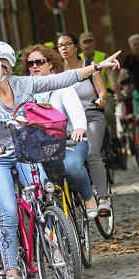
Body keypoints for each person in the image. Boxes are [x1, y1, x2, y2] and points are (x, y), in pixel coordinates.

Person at [0, 41, 120, 279]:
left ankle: (53, 246)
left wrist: (97, 66)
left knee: (44, 193)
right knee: (8, 211)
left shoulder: (23, 84)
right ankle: (11, 274)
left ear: (4, 67)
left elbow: (64, 78)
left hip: (24, 151)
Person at [20, 44, 97, 218]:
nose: (34, 66)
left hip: (69, 141)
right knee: (33, 183)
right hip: (40, 148)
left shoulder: (63, 86)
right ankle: (48, 223)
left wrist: (79, 128)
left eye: (39, 62)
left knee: (71, 167)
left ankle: (88, 197)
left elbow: (76, 112)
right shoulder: (25, 91)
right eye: (30, 64)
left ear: (51, 64)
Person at [58, 33, 112, 215]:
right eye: (60, 46)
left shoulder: (89, 67)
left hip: (91, 116)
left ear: (76, 47)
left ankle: (103, 198)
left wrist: (101, 100)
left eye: (67, 44)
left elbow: (102, 91)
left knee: (92, 153)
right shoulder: (56, 72)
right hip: (68, 121)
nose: (63, 48)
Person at [79, 32, 120, 137]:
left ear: (94, 44)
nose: (88, 45)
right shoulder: (77, 59)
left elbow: (111, 75)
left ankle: (114, 138)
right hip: (85, 96)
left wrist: (115, 87)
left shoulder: (102, 56)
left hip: (104, 93)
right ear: (80, 45)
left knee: (109, 114)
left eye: (90, 42)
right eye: (85, 43)